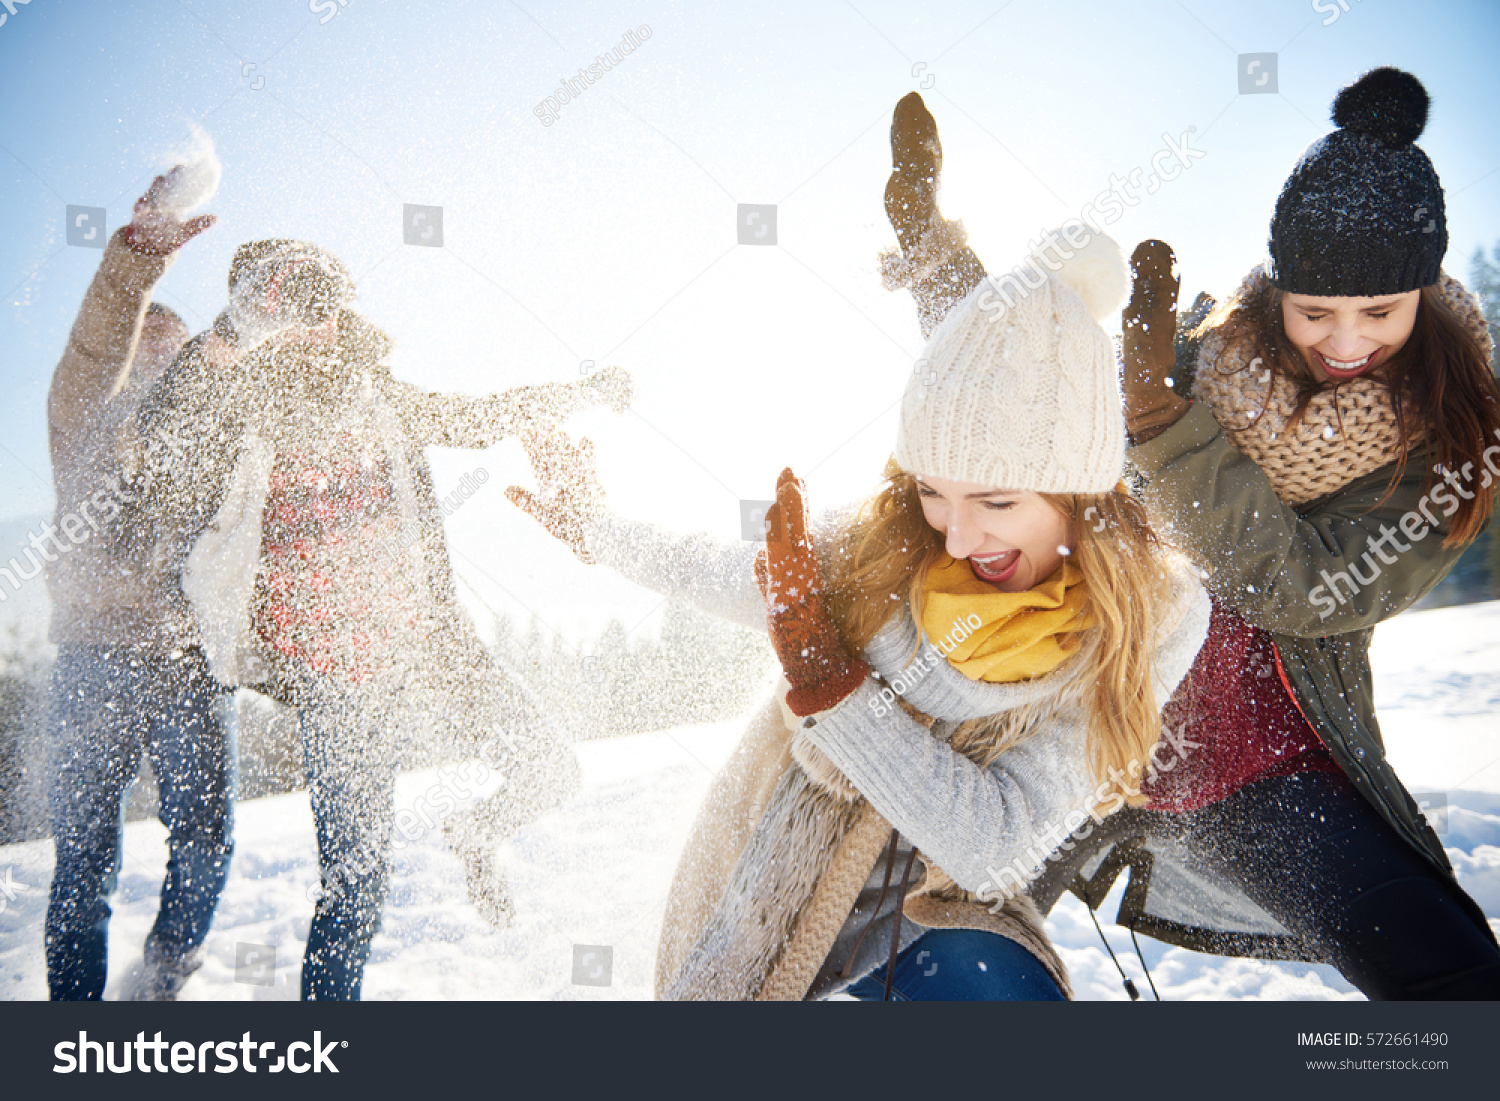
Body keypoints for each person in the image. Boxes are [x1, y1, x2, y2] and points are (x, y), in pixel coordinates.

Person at [888, 71, 1500, 998]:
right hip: (1081, 747)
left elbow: (1306, 590)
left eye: (1379, 312)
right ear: (1276, 291)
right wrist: (933, 249)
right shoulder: (1198, 359)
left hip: (1261, 775)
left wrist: (1162, 430)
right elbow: (1024, 401)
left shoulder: (1439, 444)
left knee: (1451, 978)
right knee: (919, 957)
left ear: (1421, 295)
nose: (1344, 341)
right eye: (1314, 310)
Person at [508, 231, 1210, 1000]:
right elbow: (714, 566)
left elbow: (993, 842)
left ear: (1080, 491)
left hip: (942, 913)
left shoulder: (1152, 615)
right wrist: (598, 529)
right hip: (784, 884)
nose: (957, 533)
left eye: (997, 502)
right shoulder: (882, 545)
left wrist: (831, 687)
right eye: (934, 490)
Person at [125, 239, 629, 999]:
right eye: (291, 309)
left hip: (428, 648)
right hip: (336, 685)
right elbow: (161, 441)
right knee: (355, 891)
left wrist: (579, 391)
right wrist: (233, 328)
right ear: (260, 319)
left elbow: (480, 415)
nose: (316, 325)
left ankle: (475, 829)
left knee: (551, 766)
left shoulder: (379, 394)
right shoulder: (233, 415)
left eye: (324, 307)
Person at [42, 169, 230, 1001]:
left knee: (207, 836)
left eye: (173, 343)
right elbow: (93, 348)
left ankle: (160, 976)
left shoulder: (211, 436)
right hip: (95, 655)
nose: (158, 349)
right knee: (84, 856)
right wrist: (134, 268)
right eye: (144, 338)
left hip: (190, 659)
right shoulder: (88, 416)